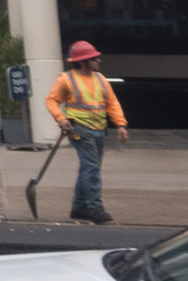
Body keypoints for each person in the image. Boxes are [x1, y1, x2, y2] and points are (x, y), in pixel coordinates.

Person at [45, 40, 129, 225]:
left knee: (89, 169)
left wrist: (121, 125)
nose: (98, 60)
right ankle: (95, 208)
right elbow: (51, 101)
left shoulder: (100, 79)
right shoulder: (66, 79)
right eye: (94, 58)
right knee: (91, 169)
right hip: (80, 130)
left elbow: (112, 103)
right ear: (82, 62)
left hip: (99, 130)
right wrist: (61, 119)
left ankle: (79, 207)